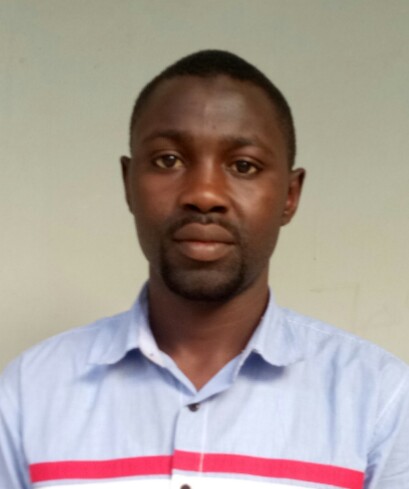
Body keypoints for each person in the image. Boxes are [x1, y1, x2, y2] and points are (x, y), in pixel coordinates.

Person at [0, 50, 408, 489]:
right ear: (128, 184)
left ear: (290, 196)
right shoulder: (30, 390)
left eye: (244, 166)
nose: (204, 194)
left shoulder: (379, 397)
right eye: (168, 160)